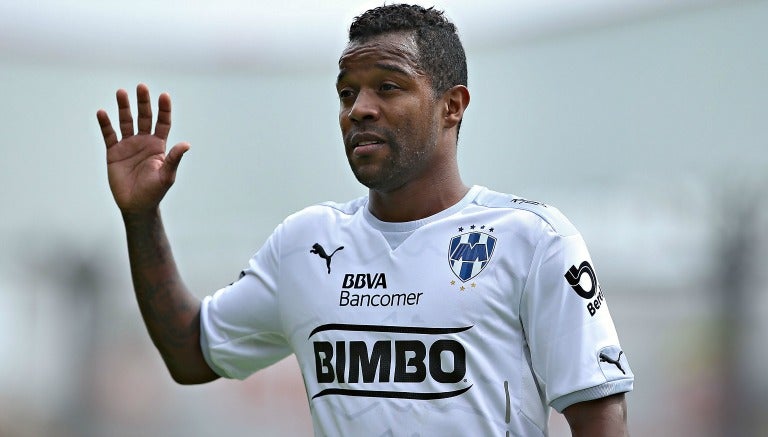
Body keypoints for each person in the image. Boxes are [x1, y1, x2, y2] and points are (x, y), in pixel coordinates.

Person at [96, 4, 633, 436]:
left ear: (452, 105)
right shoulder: (305, 242)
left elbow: (600, 418)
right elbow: (190, 353)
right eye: (347, 93)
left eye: (388, 87)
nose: (359, 109)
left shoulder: (533, 240)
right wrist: (141, 218)